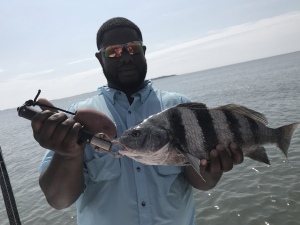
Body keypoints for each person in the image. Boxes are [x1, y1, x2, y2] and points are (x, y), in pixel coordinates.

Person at [33, 17, 244, 225]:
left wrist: (213, 171)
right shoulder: (76, 119)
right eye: (113, 51)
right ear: (100, 58)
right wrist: (67, 154)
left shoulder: (180, 106)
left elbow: (202, 183)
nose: (125, 57)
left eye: (132, 48)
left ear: (144, 51)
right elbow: (58, 200)